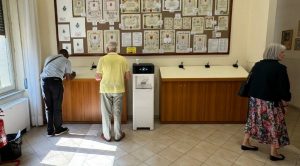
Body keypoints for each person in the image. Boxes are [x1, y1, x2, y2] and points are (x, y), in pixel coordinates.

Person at [241, 43, 291, 161]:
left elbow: (251, 81)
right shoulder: (280, 68)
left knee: (252, 120)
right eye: (282, 52)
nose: (284, 54)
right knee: (275, 124)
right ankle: (274, 152)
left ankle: (245, 142)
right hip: (270, 102)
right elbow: (283, 89)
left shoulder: (257, 65)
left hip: (255, 100)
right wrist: (285, 103)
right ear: (275, 53)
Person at [95, 41, 130, 142]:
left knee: (106, 113)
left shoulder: (102, 59)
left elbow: (98, 77)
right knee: (117, 112)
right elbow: (128, 77)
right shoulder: (123, 59)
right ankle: (118, 135)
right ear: (116, 49)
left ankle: (107, 136)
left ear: (107, 49)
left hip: (105, 89)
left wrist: (98, 76)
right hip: (118, 89)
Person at [40, 49, 76, 136]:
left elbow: (49, 72)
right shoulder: (66, 60)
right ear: (66, 55)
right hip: (55, 83)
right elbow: (68, 78)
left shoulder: (49, 58)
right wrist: (73, 75)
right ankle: (58, 129)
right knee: (57, 106)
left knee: (48, 107)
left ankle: (50, 131)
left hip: (44, 82)